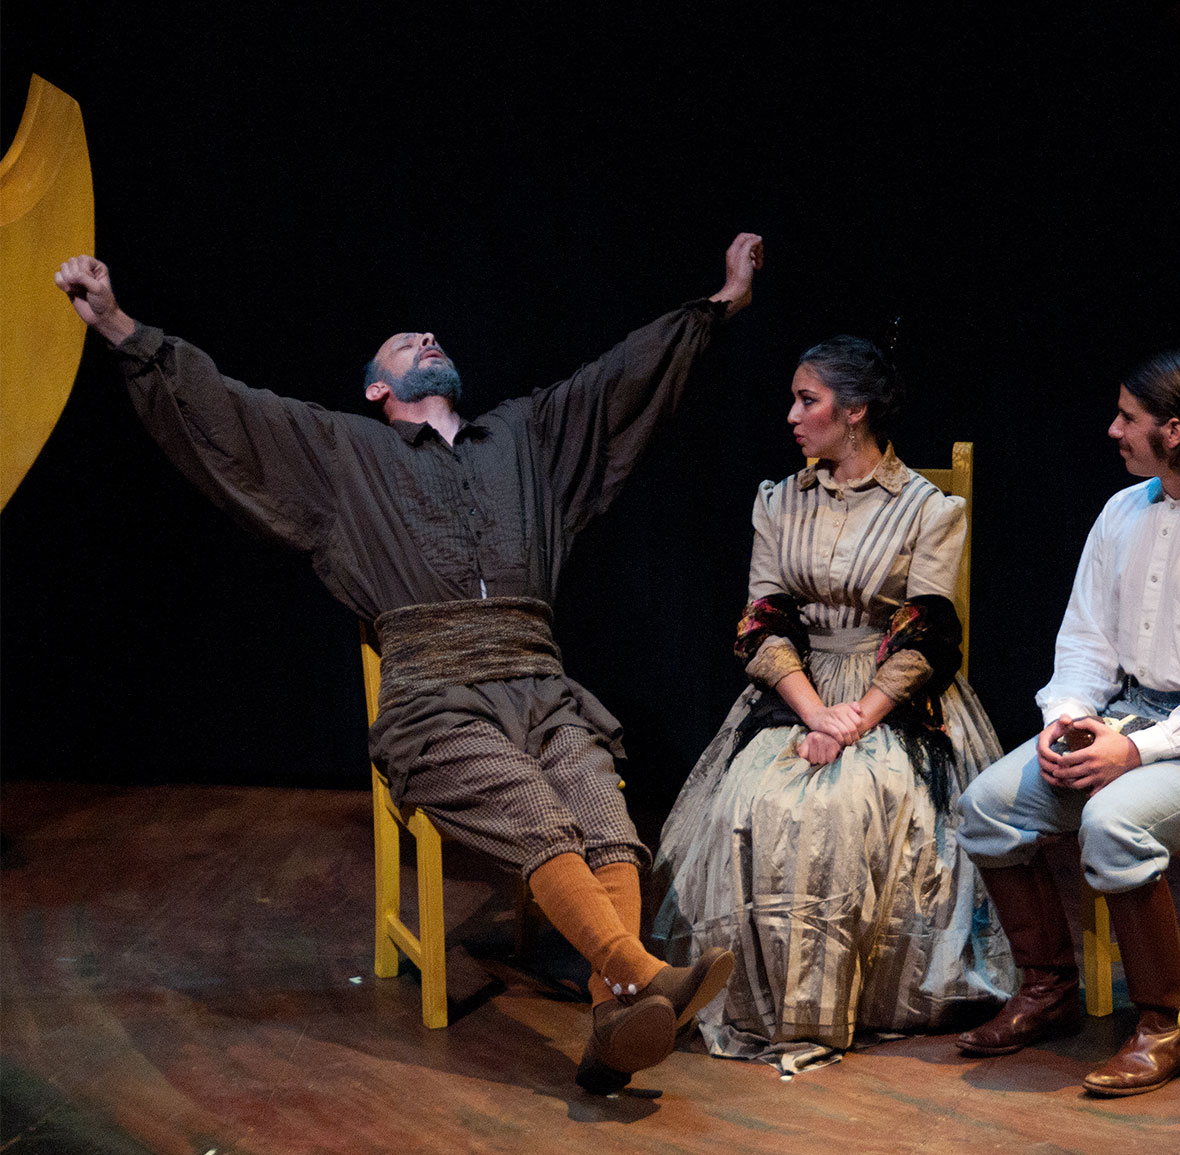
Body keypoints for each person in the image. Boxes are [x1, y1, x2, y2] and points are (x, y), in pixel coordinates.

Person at [52, 234, 764, 1095]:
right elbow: (227, 412)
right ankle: (640, 975)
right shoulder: (342, 452)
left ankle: (615, 1018)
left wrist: (719, 304)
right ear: (376, 388)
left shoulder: (527, 437)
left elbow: (619, 379)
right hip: (434, 699)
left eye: (433, 337)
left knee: (603, 816)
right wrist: (120, 324)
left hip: (541, 684)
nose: (427, 336)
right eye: (403, 344)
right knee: (537, 814)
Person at [650, 336, 1014, 1074]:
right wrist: (816, 713)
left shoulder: (929, 510)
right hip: (797, 688)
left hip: (894, 697)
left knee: (845, 812)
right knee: (747, 805)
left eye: (807, 400)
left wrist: (858, 717)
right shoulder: (779, 500)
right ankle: (759, 1000)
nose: (791, 415)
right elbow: (762, 622)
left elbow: (930, 632)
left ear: (855, 413)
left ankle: (847, 1000)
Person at [954, 347, 1180, 1096]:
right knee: (986, 806)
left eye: (1129, 418)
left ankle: (1164, 1025)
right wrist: (1070, 719)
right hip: (1128, 716)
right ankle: (1048, 990)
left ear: (1174, 431)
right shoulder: (1122, 512)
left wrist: (1133, 752)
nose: (1113, 429)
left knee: (1112, 823)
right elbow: (1085, 641)